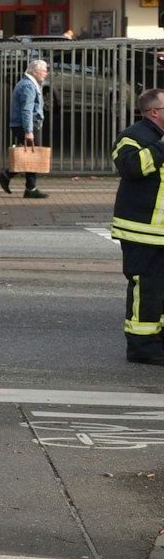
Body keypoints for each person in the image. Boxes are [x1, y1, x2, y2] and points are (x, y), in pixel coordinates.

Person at [112, 88, 164, 366]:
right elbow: (130, 167)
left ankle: (158, 339)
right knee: (147, 290)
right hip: (142, 231)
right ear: (154, 112)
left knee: (161, 292)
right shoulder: (133, 136)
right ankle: (142, 346)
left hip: (160, 232)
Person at [0, 59, 50, 199]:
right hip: (26, 125)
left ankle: (16, 180)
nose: (46, 74)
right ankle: (25, 185)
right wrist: (29, 131)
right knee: (33, 155)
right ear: (35, 72)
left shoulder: (28, 83)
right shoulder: (28, 86)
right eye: (44, 71)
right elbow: (27, 109)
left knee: (30, 155)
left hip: (25, 125)